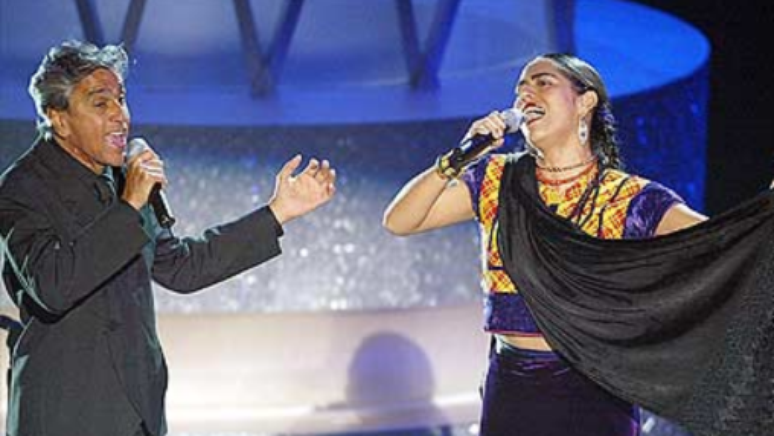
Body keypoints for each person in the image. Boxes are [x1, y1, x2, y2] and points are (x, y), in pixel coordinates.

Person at [0, 40, 335, 436]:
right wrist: (128, 205)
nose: (120, 117)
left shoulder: (127, 178)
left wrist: (278, 212)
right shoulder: (22, 187)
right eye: (100, 103)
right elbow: (53, 286)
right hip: (66, 411)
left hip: (139, 409)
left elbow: (182, 268)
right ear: (59, 119)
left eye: (121, 100)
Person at [383, 53, 707, 435]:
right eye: (520, 89)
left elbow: (717, 243)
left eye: (542, 83)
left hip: (595, 390)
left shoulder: (629, 197)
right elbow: (400, 220)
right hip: (513, 388)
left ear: (585, 102)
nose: (525, 95)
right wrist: (459, 157)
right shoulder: (497, 179)